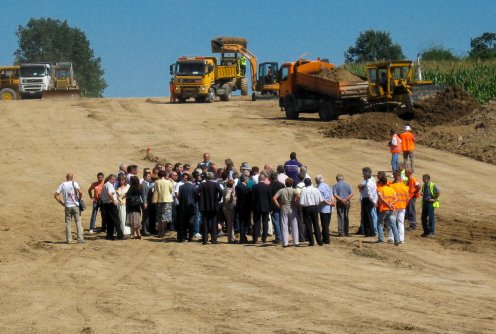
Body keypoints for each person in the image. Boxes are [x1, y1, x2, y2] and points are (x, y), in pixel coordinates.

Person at [54, 173, 85, 244]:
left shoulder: (62, 185)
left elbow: (55, 195)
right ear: (72, 177)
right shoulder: (74, 183)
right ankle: (80, 239)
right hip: (75, 205)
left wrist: (62, 203)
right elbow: (80, 192)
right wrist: (79, 199)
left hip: (67, 206)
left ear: (66, 177)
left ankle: (69, 240)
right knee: (78, 222)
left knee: (68, 223)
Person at [197, 172, 223, 245]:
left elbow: (196, 192)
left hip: (204, 206)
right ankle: (213, 240)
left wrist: (200, 199)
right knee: (214, 223)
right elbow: (221, 192)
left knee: (205, 223)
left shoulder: (202, 184)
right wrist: (218, 199)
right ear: (213, 177)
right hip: (214, 206)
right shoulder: (216, 184)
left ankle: (205, 240)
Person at [273, 178, 300, 247]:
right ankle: (296, 242)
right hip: (292, 209)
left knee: (284, 225)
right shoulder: (294, 190)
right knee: (294, 225)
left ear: (285, 183)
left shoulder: (281, 190)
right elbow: (298, 196)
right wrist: (295, 201)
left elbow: (274, 198)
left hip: (284, 208)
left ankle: (285, 243)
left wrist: (279, 205)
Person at [376, 171, 400, 245]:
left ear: (381, 183)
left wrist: (388, 204)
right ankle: (397, 240)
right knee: (393, 224)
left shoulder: (380, 190)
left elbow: (382, 199)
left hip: (384, 209)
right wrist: (391, 204)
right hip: (391, 209)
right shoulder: (391, 189)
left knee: (380, 223)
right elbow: (396, 198)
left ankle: (381, 238)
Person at [299, 178, 324, 246]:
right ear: (311, 182)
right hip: (315, 207)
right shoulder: (316, 189)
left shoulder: (304, 190)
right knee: (316, 224)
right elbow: (321, 200)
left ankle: (311, 242)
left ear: (305, 184)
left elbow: (301, 202)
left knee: (308, 225)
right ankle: (319, 241)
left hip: (307, 208)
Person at [101, 174, 124, 240]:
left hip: (106, 204)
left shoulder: (105, 185)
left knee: (110, 221)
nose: (114, 181)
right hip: (111, 204)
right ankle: (120, 236)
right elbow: (109, 193)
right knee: (116, 220)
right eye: (113, 179)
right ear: (109, 179)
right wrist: (113, 200)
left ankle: (109, 235)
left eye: (115, 179)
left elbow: (101, 195)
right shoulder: (110, 185)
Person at [251, 173, 272, 244]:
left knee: (256, 223)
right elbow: (270, 199)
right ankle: (264, 238)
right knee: (265, 222)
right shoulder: (267, 187)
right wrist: (271, 208)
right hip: (266, 207)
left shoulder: (254, 187)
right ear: (264, 179)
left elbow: (253, 199)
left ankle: (255, 238)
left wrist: (252, 208)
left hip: (256, 207)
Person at [152, 170, 174, 238]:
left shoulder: (157, 182)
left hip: (159, 200)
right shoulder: (168, 182)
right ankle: (163, 231)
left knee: (159, 217)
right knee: (165, 217)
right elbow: (171, 190)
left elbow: (155, 191)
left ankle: (159, 231)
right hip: (167, 200)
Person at [389, 171, 409, 244]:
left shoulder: (391, 186)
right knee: (401, 223)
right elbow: (407, 199)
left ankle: (391, 238)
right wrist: (404, 205)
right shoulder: (405, 187)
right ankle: (401, 239)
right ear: (400, 177)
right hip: (402, 206)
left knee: (392, 222)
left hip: (393, 206)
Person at [358, 167, 377, 237]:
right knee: (369, 216)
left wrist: (373, 201)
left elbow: (369, 194)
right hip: (370, 200)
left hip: (367, 199)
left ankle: (369, 232)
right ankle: (369, 231)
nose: (363, 176)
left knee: (367, 216)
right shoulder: (373, 181)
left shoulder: (368, 183)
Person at [177, 173, 197, 242]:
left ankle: (182, 237)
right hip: (192, 207)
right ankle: (190, 237)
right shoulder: (194, 187)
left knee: (183, 222)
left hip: (183, 207)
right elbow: (196, 197)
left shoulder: (181, 187)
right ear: (191, 179)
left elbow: (179, 197)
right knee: (191, 222)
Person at [315, 175, 334, 244]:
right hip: (330, 208)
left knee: (324, 225)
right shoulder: (327, 185)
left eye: (316, 180)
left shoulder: (319, 188)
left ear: (317, 180)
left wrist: (329, 203)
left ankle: (326, 240)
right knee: (327, 224)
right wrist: (332, 202)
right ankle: (325, 238)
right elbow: (331, 195)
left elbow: (322, 199)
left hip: (324, 208)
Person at [235, 174, 252, 244]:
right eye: (247, 179)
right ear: (245, 179)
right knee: (244, 223)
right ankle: (242, 238)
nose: (248, 180)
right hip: (246, 207)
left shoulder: (237, 186)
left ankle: (242, 237)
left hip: (239, 207)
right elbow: (249, 198)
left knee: (241, 222)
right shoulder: (247, 188)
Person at [269, 172, 284, 244]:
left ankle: (278, 238)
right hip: (282, 206)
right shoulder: (282, 185)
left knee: (276, 223)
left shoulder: (270, 186)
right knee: (282, 222)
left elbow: (269, 198)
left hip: (274, 207)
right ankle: (283, 237)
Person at [222, 178, 237, 244]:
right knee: (230, 224)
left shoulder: (226, 188)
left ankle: (232, 238)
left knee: (230, 224)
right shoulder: (229, 190)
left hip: (226, 207)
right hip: (229, 208)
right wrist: (232, 197)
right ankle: (231, 239)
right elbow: (227, 199)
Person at [141, 171, 154, 236]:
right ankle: (145, 230)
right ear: (144, 177)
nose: (149, 177)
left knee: (147, 216)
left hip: (149, 202)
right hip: (146, 203)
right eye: (148, 176)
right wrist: (145, 202)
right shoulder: (143, 184)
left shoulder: (148, 183)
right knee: (145, 217)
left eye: (150, 176)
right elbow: (144, 195)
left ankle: (147, 229)